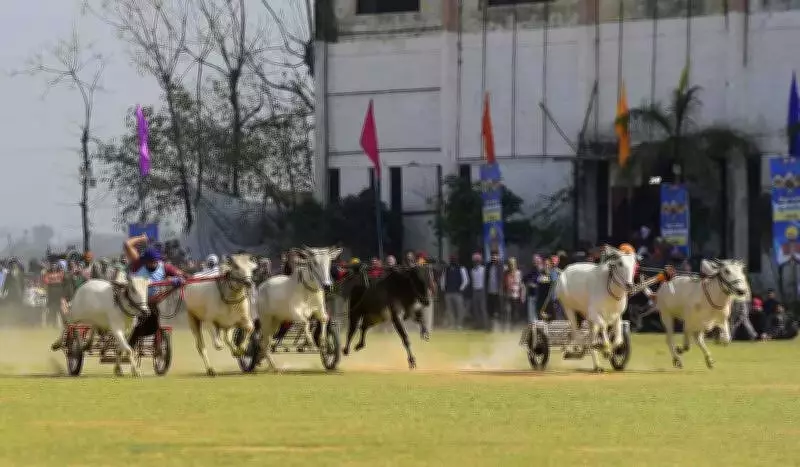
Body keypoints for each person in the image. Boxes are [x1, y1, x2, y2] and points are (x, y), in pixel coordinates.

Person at [124, 234, 186, 349]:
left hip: (152, 303)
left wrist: (178, 279)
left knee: (153, 324)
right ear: (145, 260)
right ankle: (130, 345)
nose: (152, 264)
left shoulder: (165, 267)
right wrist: (141, 238)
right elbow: (127, 244)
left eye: (154, 261)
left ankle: (150, 339)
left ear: (158, 260)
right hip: (134, 302)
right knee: (139, 324)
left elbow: (182, 275)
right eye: (150, 262)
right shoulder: (138, 263)